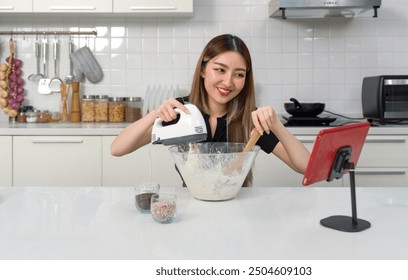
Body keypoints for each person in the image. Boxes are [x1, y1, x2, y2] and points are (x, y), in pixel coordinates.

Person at [111, 34, 310, 186]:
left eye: (238, 74)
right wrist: (155, 114)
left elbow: (306, 167)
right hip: (191, 210)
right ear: (203, 70)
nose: (228, 82)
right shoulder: (181, 112)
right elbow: (117, 149)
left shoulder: (251, 119)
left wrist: (276, 125)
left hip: (237, 209)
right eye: (220, 70)